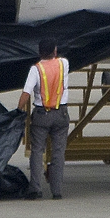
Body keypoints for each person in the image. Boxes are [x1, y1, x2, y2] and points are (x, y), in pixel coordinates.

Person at [18, 40, 69, 200]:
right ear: (55, 51)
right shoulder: (63, 64)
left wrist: (18, 111)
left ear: (39, 52)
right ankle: (57, 191)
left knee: (37, 151)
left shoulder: (36, 69)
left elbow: (26, 93)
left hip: (42, 115)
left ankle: (35, 188)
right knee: (58, 152)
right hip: (61, 114)